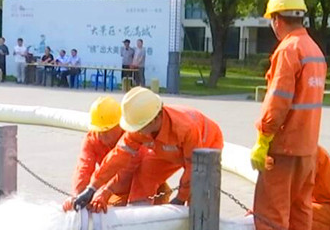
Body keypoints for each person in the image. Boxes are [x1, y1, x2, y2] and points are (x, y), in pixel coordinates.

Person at [250, 0, 327, 230]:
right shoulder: (314, 50)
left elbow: (278, 100)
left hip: (283, 145)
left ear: (277, 19)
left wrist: (263, 139)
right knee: (300, 202)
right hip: (307, 145)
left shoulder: (288, 50)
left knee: (271, 204)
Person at [73, 87, 224, 210]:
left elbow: (193, 167)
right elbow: (118, 156)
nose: (136, 132)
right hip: (167, 148)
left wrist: (180, 198)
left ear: (155, 119)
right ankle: (138, 217)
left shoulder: (185, 129)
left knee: (198, 194)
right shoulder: (141, 128)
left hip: (206, 147)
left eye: (139, 127)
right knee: (145, 173)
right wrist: (92, 188)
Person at [62, 96, 170, 213]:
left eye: (106, 131)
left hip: (147, 188)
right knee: (100, 209)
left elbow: (126, 172)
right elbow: (83, 168)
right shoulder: (92, 139)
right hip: (114, 191)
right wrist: (77, 195)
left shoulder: (134, 136)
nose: (101, 135)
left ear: (120, 124)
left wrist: (104, 193)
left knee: (145, 212)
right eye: (98, 131)